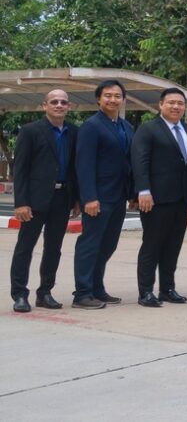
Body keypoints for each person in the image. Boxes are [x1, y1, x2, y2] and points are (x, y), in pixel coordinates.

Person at [10, 90, 79, 313]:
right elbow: (20, 169)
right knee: (25, 247)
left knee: (53, 248)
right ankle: (20, 294)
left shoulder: (74, 132)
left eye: (63, 102)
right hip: (34, 200)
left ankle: (45, 292)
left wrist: (76, 199)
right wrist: (21, 202)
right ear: (44, 106)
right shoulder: (30, 131)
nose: (59, 105)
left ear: (69, 106)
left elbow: (75, 169)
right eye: (54, 102)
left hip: (62, 198)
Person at [131, 88, 187, 307]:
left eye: (180, 103)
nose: (176, 106)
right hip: (156, 199)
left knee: (173, 245)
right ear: (161, 105)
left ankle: (167, 289)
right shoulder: (148, 129)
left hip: (182, 198)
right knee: (152, 244)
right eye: (171, 102)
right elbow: (140, 161)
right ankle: (145, 291)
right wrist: (143, 190)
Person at [73, 79, 136, 310]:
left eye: (117, 96)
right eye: (108, 95)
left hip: (118, 196)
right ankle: (82, 293)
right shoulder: (91, 126)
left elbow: (129, 163)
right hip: (98, 197)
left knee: (108, 245)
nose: (112, 100)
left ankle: (97, 288)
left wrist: (132, 193)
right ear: (99, 99)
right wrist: (89, 197)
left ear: (123, 100)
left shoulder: (126, 127)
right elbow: (84, 164)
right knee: (90, 244)